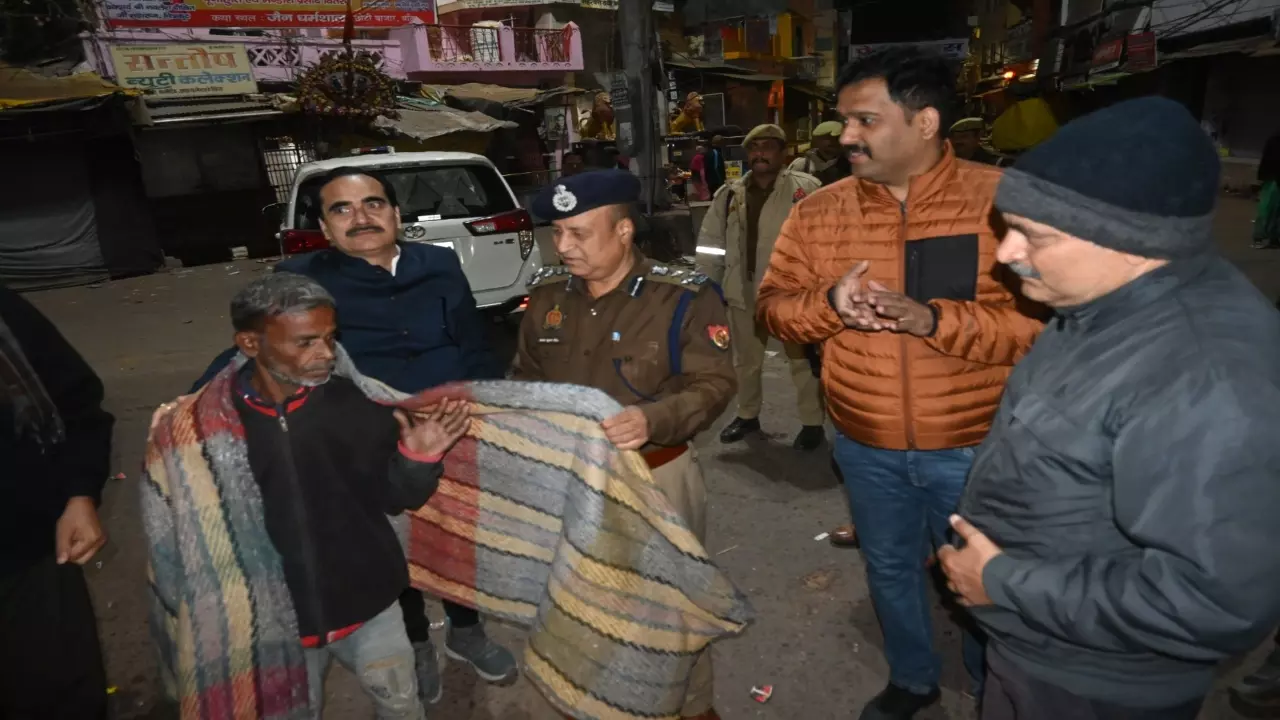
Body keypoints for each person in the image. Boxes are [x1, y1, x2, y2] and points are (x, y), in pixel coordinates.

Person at [937, 95, 1280, 720]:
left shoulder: (1206, 379)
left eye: (1033, 234)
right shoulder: (1104, 304)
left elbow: (1216, 601)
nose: (1006, 252)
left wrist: (1003, 583)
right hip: (1043, 650)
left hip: (1092, 687)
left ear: (1127, 241)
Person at [755, 47, 1044, 719]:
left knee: (984, 580)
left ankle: (990, 683)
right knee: (888, 568)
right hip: (866, 443)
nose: (846, 137)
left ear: (925, 122)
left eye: (864, 120)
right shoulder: (819, 212)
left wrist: (934, 319)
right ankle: (913, 679)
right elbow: (773, 310)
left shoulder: (1000, 202)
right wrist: (829, 303)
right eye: (843, 121)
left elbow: (1040, 325)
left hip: (978, 445)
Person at [188, 167, 514, 705]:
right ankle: (414, 645)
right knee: (393, 543)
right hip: (367, 432)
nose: (361, 217)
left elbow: (472, 339)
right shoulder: (303, 275)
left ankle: (465, 631)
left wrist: (494, 405)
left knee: (458, 535)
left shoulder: (439, 263)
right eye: (342, 209)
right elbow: (258, 346)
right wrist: (196, 402)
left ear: (396, 213)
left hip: (451, 423)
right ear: (323, 225)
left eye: (373, 204)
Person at [148, 273, 470, 720]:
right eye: (304, 343)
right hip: (273, 625)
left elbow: (394, 497)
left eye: (330, 338)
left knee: (402, 707)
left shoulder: (352, 404)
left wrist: (419, 459)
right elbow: (179, 537)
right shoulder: (199, 430)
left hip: (370, 606)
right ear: (250, 343)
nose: (326, 355)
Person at [513, 168, 736, 720]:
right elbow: (526, 375)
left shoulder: (680, 296)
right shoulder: (546, 297)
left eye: (579, 233)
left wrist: (653, 417)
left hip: (654, 476)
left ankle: (691, 706)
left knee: (669, 609)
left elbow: (714, 383)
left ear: (622, 231)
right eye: (557, 233)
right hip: (570, 481)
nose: (563, 246)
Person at [0, 285, 113, 720]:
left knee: (61, 694)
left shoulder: (4, 313)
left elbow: (77, 401)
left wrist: (79, 494)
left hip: (31, 552)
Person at [699, 124, 824, 450]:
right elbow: (711, 244)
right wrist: (709, 287)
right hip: (742, 291)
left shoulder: (807, 190)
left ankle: (812, 424)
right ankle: (747, 414)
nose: (760, 154)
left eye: (768, 147)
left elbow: (826, 242)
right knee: (746, 361)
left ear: (783, 154)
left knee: (802, 362)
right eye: (754, 148)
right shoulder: (729, 195)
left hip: (791, 295)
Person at [789, 120, 853, 186]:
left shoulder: (851, 164)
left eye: (838, 138)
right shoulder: (803, 164)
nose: (834, 141)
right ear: (817, 140)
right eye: (828, 137)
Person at [1252, 129, 1280, 249]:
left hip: (1272, 177)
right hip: (1274, 178)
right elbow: (1270, 159)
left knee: (1273, 210)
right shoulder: (1275, 140)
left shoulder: (1274, 138)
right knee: (1269, 208)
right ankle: (1262, 237)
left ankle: (1271, 238)